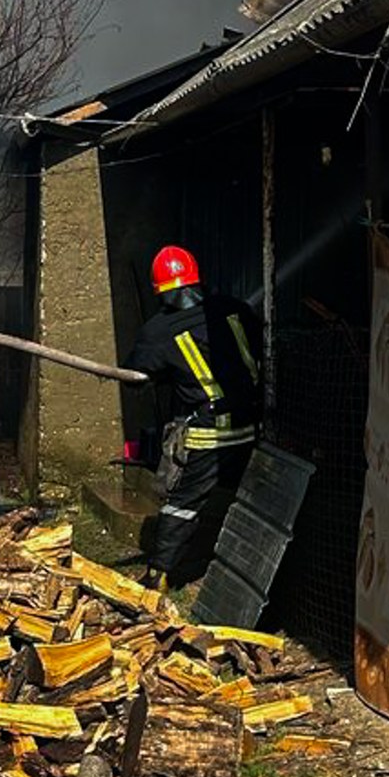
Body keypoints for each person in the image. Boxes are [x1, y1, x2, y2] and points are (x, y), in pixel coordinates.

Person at [124, 245, 263, 586]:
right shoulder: (235, 309)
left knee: (182, 503)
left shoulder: (158, 332)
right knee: (249, 501)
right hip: (254, 427)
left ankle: (158, 575)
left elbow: (137, 379)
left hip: (211, 433)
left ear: (163, 291)